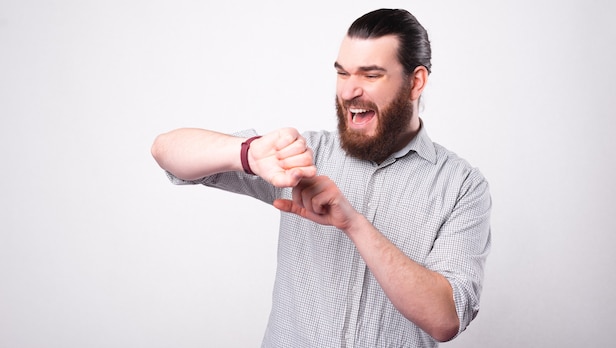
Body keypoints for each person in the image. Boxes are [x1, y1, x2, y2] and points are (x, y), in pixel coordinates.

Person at [151, 8, 491, 348]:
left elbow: (445, 319)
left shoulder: (462, 186)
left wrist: (354, 224)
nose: (347, 91)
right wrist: (248, 153)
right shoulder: (302, 155)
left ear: (415, 82)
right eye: (343, 74)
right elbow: (166, 151)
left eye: (370, 75)